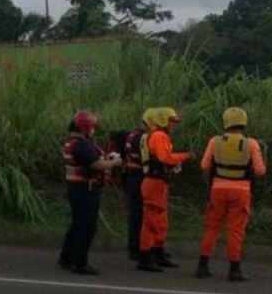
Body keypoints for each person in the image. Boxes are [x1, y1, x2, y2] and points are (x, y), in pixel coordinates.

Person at [196, 107, 266, 282]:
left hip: (217, 190)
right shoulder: (251, 143)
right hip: (241, 191)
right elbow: (259, 171)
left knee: (212, 227)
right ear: (244, 122)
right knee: (236, 230)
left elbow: (204, 166)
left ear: (226, 122)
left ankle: (203, 266)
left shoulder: (215, 141)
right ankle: (234, 269)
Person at [58, 110, 122, 275]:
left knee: (77, 224)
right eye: (93, 127)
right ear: (85, 128)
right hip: (85, 189)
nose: (94, 130)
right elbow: (96, 165)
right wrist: (114, 162)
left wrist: (106, 158)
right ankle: (80, 263)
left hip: (77, 188)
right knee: (87, 226)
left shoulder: (73, 142)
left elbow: (92, 160)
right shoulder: (81, 144)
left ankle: (66, 257)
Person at [137, 107, 194, 273]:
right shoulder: (159, 136)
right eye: (171, 121)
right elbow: (165, 158)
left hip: (158, 182)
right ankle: (146, 256)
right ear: (162, 120)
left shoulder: (156, 136)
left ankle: (157, 252)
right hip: (154, 183)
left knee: (160, 221)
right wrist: (185, 156)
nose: (173, 125)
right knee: (151, 221)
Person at [116, 109, 154, 262]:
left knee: (136, 214)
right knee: (138, 215)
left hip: (131, 177)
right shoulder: (143, 138)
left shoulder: (134, 134)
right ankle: (136, 249)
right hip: (138, 177)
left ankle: (137, 247)